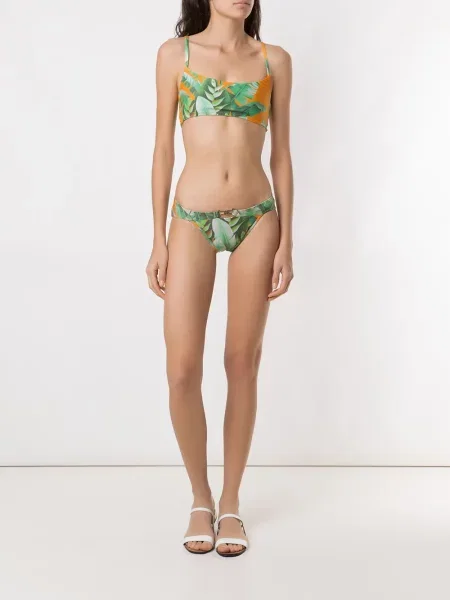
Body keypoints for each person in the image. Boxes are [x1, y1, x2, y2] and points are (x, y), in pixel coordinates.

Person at [146, 0, 293, 557]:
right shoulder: (175, 55)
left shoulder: (274, 60)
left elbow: (282, 156)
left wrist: (287, 239)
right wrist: (157, 238)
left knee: (241, 363)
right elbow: (163, 149)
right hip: (191, 217)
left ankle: (230, 501)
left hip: (257, 217)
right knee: (182, 369)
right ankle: (199, 496)